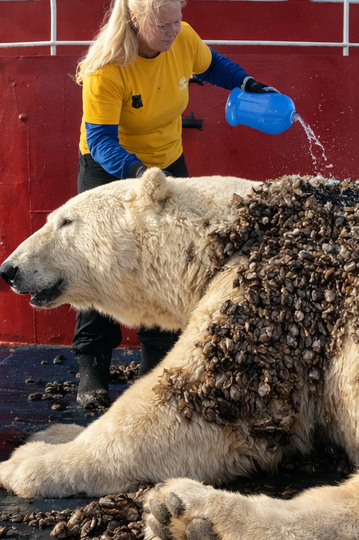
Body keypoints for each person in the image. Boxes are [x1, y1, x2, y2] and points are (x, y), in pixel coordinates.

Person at [70, 0, 278, 408]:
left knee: (169, 261)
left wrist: (246, 83)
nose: (172, 30)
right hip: (110, 167)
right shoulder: (107, 70)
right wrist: (138, 175)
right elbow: (100, 141)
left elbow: (211, 63)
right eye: (163, 24)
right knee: (96, 265)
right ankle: (92, 373)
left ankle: (157, 368)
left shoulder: (181, 39)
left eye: (177, 21)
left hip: (166, 162)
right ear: (135, 19)